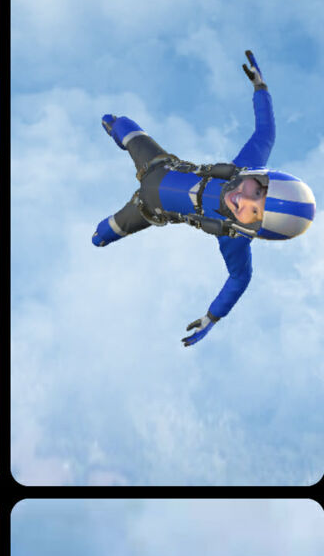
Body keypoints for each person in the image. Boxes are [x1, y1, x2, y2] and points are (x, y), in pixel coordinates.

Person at [92, 51, 315, 346]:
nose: (242, 199)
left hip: (145, 209)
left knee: (101, 236)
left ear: (252, 229)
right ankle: (114, 127)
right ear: (261, 176)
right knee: (117, 123)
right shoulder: (244, 167)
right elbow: (265, 133)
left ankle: (104, 231)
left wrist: (212, 317)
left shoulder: (234, 240)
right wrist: (260, 88)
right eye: (258, 192)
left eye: (254, 212)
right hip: (158, 164)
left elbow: (239, 279)